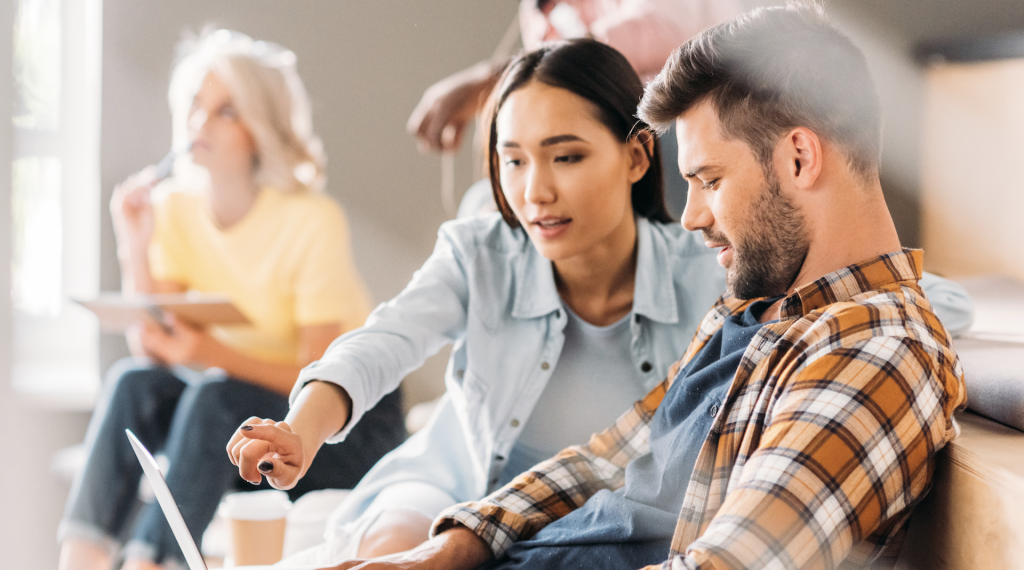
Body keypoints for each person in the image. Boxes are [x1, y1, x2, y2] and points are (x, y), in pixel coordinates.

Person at [228, 36, 973, 568]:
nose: (690, 215)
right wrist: (448, 548)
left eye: (709, 180)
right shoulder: (758, 310)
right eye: (513, 160)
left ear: (800, 157)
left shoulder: (871, 355)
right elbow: (610, 459)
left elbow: (729, 564)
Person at [229, 38, 728, 565]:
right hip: (454, 486)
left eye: (566, 156)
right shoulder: (479, 252)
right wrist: (298, 430)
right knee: (392, 553)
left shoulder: (706, 277)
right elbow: (384, 341)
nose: (535, 191)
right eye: (513, 160)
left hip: (598, 514)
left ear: (636, 157)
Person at [57, 30, 406, 570]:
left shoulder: (312, 221)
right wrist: (134, 242)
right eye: (196, 104)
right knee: (133, 383)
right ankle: (79, 560)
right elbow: (155, 347)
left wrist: (210, 354)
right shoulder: (174, 210)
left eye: (225, 111)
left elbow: (317, 376)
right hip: (239, 418)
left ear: (259, 129)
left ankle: (150, 563)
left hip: (338, 427)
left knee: (218, 396)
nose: (200, 122)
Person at [408, 0, 744, 217]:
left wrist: (495, 75)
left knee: (659, 133)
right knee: (486, 206)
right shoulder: (542, 9)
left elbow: (666, 30)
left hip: (718, 127)